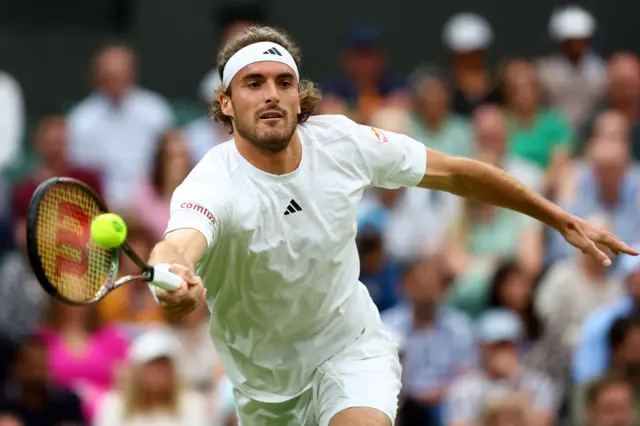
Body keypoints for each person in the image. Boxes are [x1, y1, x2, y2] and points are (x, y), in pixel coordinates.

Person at [146, 25, 637, 426]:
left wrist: (559, 218)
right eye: (254, 83)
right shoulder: (211, 183)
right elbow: (177, 247)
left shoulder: (341, 143)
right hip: (264, 392)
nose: (272, 95)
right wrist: (173, 283)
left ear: (300, 96)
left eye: (283, 82)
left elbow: (457, 173)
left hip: (349, 350)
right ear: (226, 102)